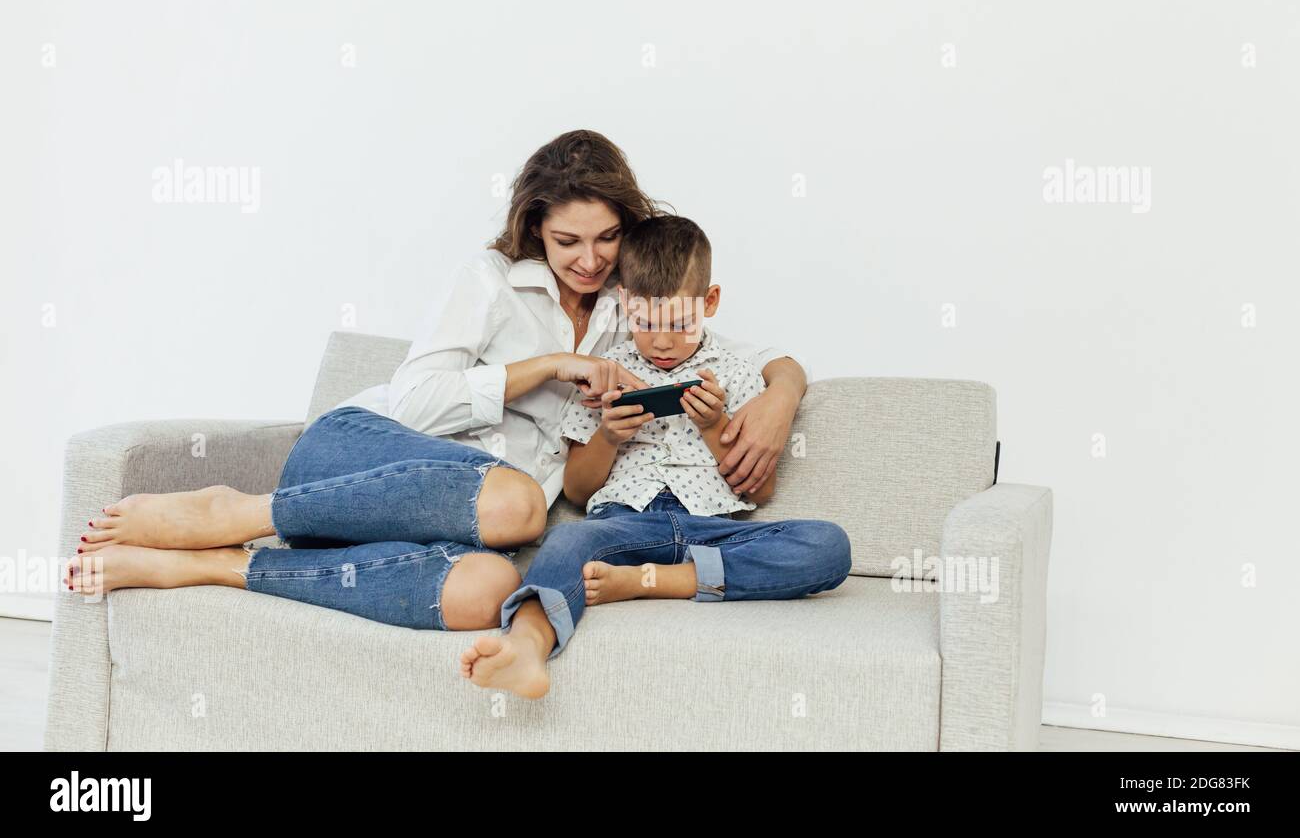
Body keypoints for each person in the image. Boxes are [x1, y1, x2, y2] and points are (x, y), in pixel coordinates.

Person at [66, 132, 812, 634]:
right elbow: (418, 398)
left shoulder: (633, 309)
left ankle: (222, 567)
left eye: (608, 238)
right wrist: (550, 367)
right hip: (364, 453)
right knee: (518, 498)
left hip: (465, 520)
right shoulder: (489, 281)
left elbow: (746, 350)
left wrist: (781, 394)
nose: (590, 260)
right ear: (534, 228)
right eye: (567, 241)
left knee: (487, 594)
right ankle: (240, 510)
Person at [459, 216, 851, 698]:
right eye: (646, 322)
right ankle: (526, 646)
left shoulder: (740, 374)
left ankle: (659, 582)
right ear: (625, 302)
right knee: (565, 543)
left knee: (827, 545)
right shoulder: (606, 372)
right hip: (625, 524)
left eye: (679, 324)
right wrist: (607, 435)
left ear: (709, 303)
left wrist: (713, 427)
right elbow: (580, 492)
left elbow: (759, 490)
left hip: (712, 529)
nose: (662, 341)